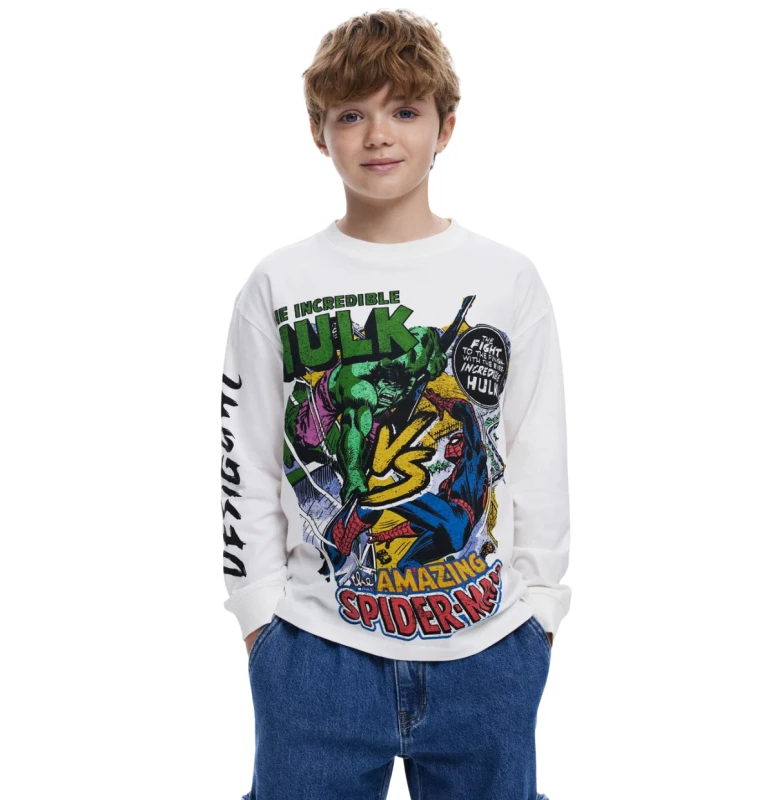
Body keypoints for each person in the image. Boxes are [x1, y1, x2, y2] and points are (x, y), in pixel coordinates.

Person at [220, 9, 570, 799]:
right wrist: (259, 618)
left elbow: (537, 453)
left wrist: (541, 615)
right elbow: (244, 457)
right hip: (315, 652)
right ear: (319, 133)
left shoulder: (507, 278)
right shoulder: (280, 282)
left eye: (405, 110)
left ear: (446, 127)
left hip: (487, 651)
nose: (378, 135)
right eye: (352, 115)